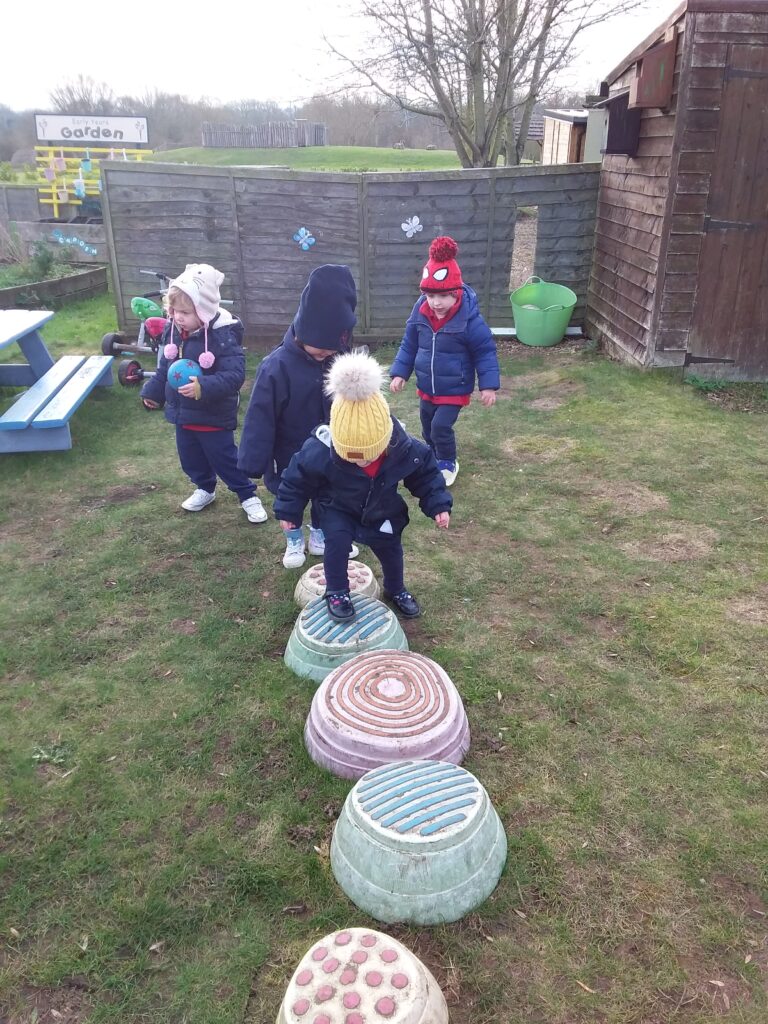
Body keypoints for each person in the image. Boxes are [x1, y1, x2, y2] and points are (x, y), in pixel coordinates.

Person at [274, 350, 452, 621]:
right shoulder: (320, 449)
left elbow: (425, 476)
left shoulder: (406, 448)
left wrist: (438, 504)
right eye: (351, 456)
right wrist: (289, 512)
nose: (362, 461)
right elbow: (296, 479)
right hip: (339, 508)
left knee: (392, 549)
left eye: (369, 454)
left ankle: (396, 588)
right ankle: (337, 591)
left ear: (385, 438)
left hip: (383, 509)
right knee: (336, 544)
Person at [238, 264, 359, 569]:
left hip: (331, 451)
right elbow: (260, 417)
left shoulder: (343, 360)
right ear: (301, 333)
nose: (324, 357)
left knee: (327, 497)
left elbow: (358, 402)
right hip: (288, 454)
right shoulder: (276, 367)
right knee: (289, 501)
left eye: (330, 353)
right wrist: (253, 461)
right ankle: (294, 542)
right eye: (318, 352)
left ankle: (319, 538)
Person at [140, 263, 267, 523]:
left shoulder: (222, 336)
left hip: (212, 415)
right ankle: (205, 488)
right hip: (182, 414)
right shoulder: (173, 331)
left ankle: (247, 494)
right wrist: (153, 390)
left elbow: (234, 376)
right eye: (174, 310)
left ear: (204, 311)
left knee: (224, 458)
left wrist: (203, 387)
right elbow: (165, 367)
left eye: (185, 312)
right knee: (190, 457)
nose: (177, 316)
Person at [389, 235, 500, 487]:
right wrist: (400, 373)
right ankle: (432, 456)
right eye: (429, 296)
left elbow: (485, 352)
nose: (436, 303)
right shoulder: (420, 315)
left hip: (454, 387)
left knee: (440, 426)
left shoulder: (469, 320)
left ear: (456, 293)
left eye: (442, 297)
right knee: (427, 426)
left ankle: (448, 461)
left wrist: (488, 385)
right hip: (427, 386)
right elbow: (409, 345)